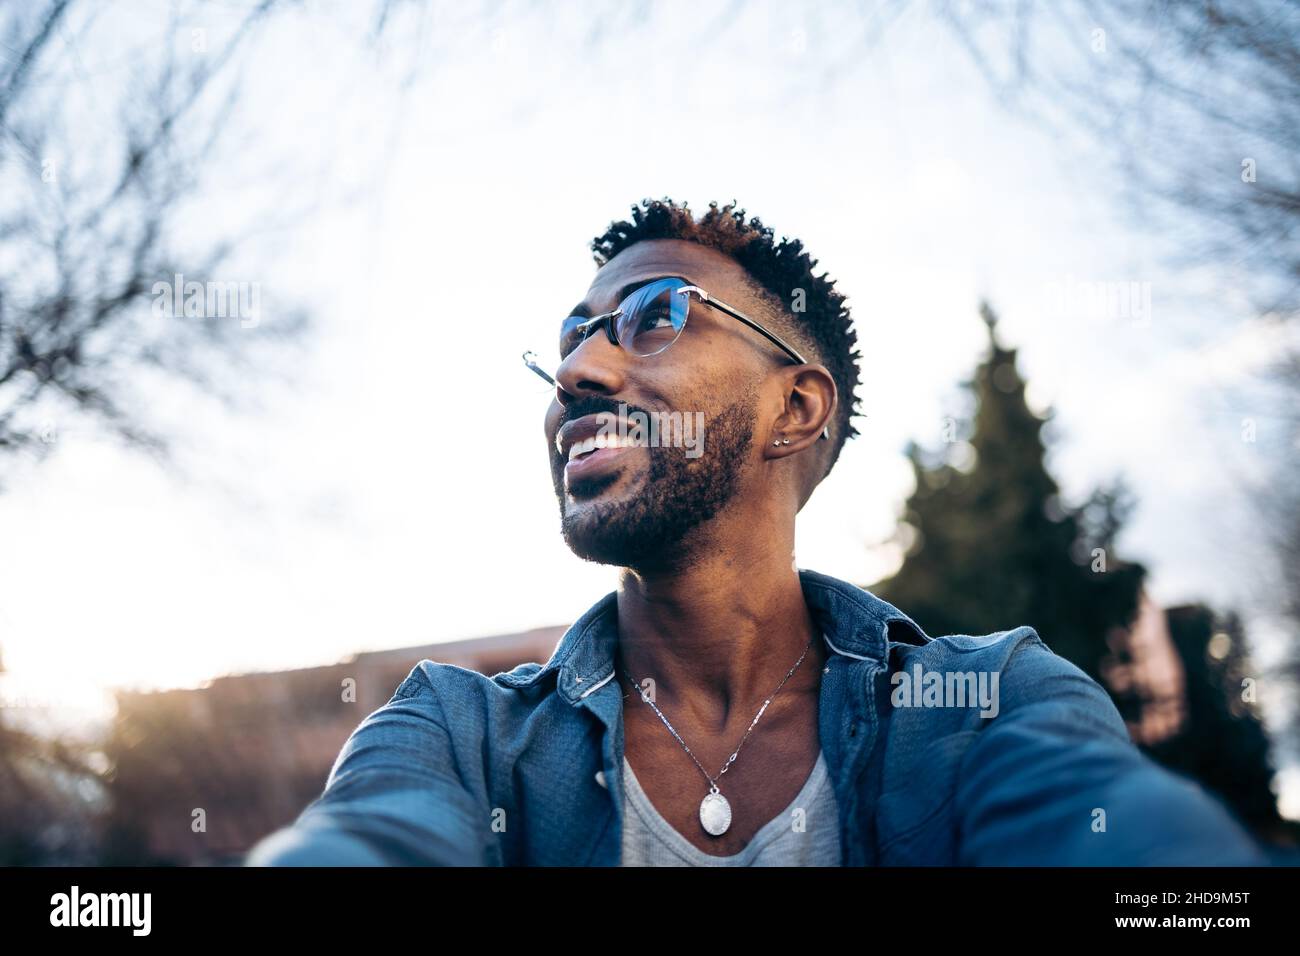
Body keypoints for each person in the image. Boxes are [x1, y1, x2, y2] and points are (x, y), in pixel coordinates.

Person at [247, 198, 1266, 866]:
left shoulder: (986, 705)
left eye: (653, 315)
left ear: (795, 408)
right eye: (569, 339)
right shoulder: (459, 733)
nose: (576, 373)